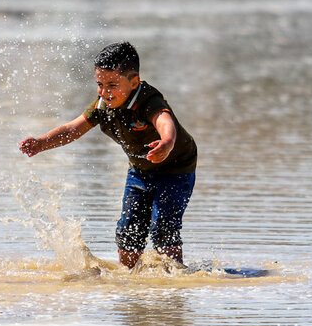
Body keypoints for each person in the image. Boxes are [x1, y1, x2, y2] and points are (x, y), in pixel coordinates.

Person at [19, 42, 198, 270]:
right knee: (128, 230)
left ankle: (177, 276)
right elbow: (73, 128)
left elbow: (165, 120)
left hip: (176, 168)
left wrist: (167, 142)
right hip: (140, 170)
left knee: (163, 227)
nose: (104, 92)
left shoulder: (147, 100)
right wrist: (43, 142)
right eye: (100, 84)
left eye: (112, 85)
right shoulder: (103, 106)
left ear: (134, 82)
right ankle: (128, 276)